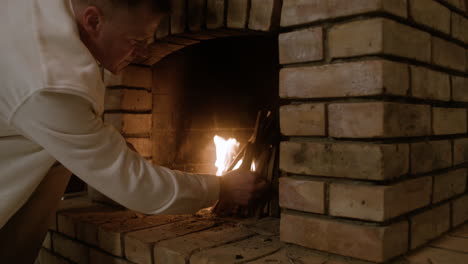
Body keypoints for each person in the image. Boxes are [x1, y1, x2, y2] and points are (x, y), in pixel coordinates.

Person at [0, 0, 265, 262]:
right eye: (137, 41)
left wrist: (102, 141)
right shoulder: (49, 81)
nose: (143, 54)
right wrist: (221, 188)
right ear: (93, 20)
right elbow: (139, 188)